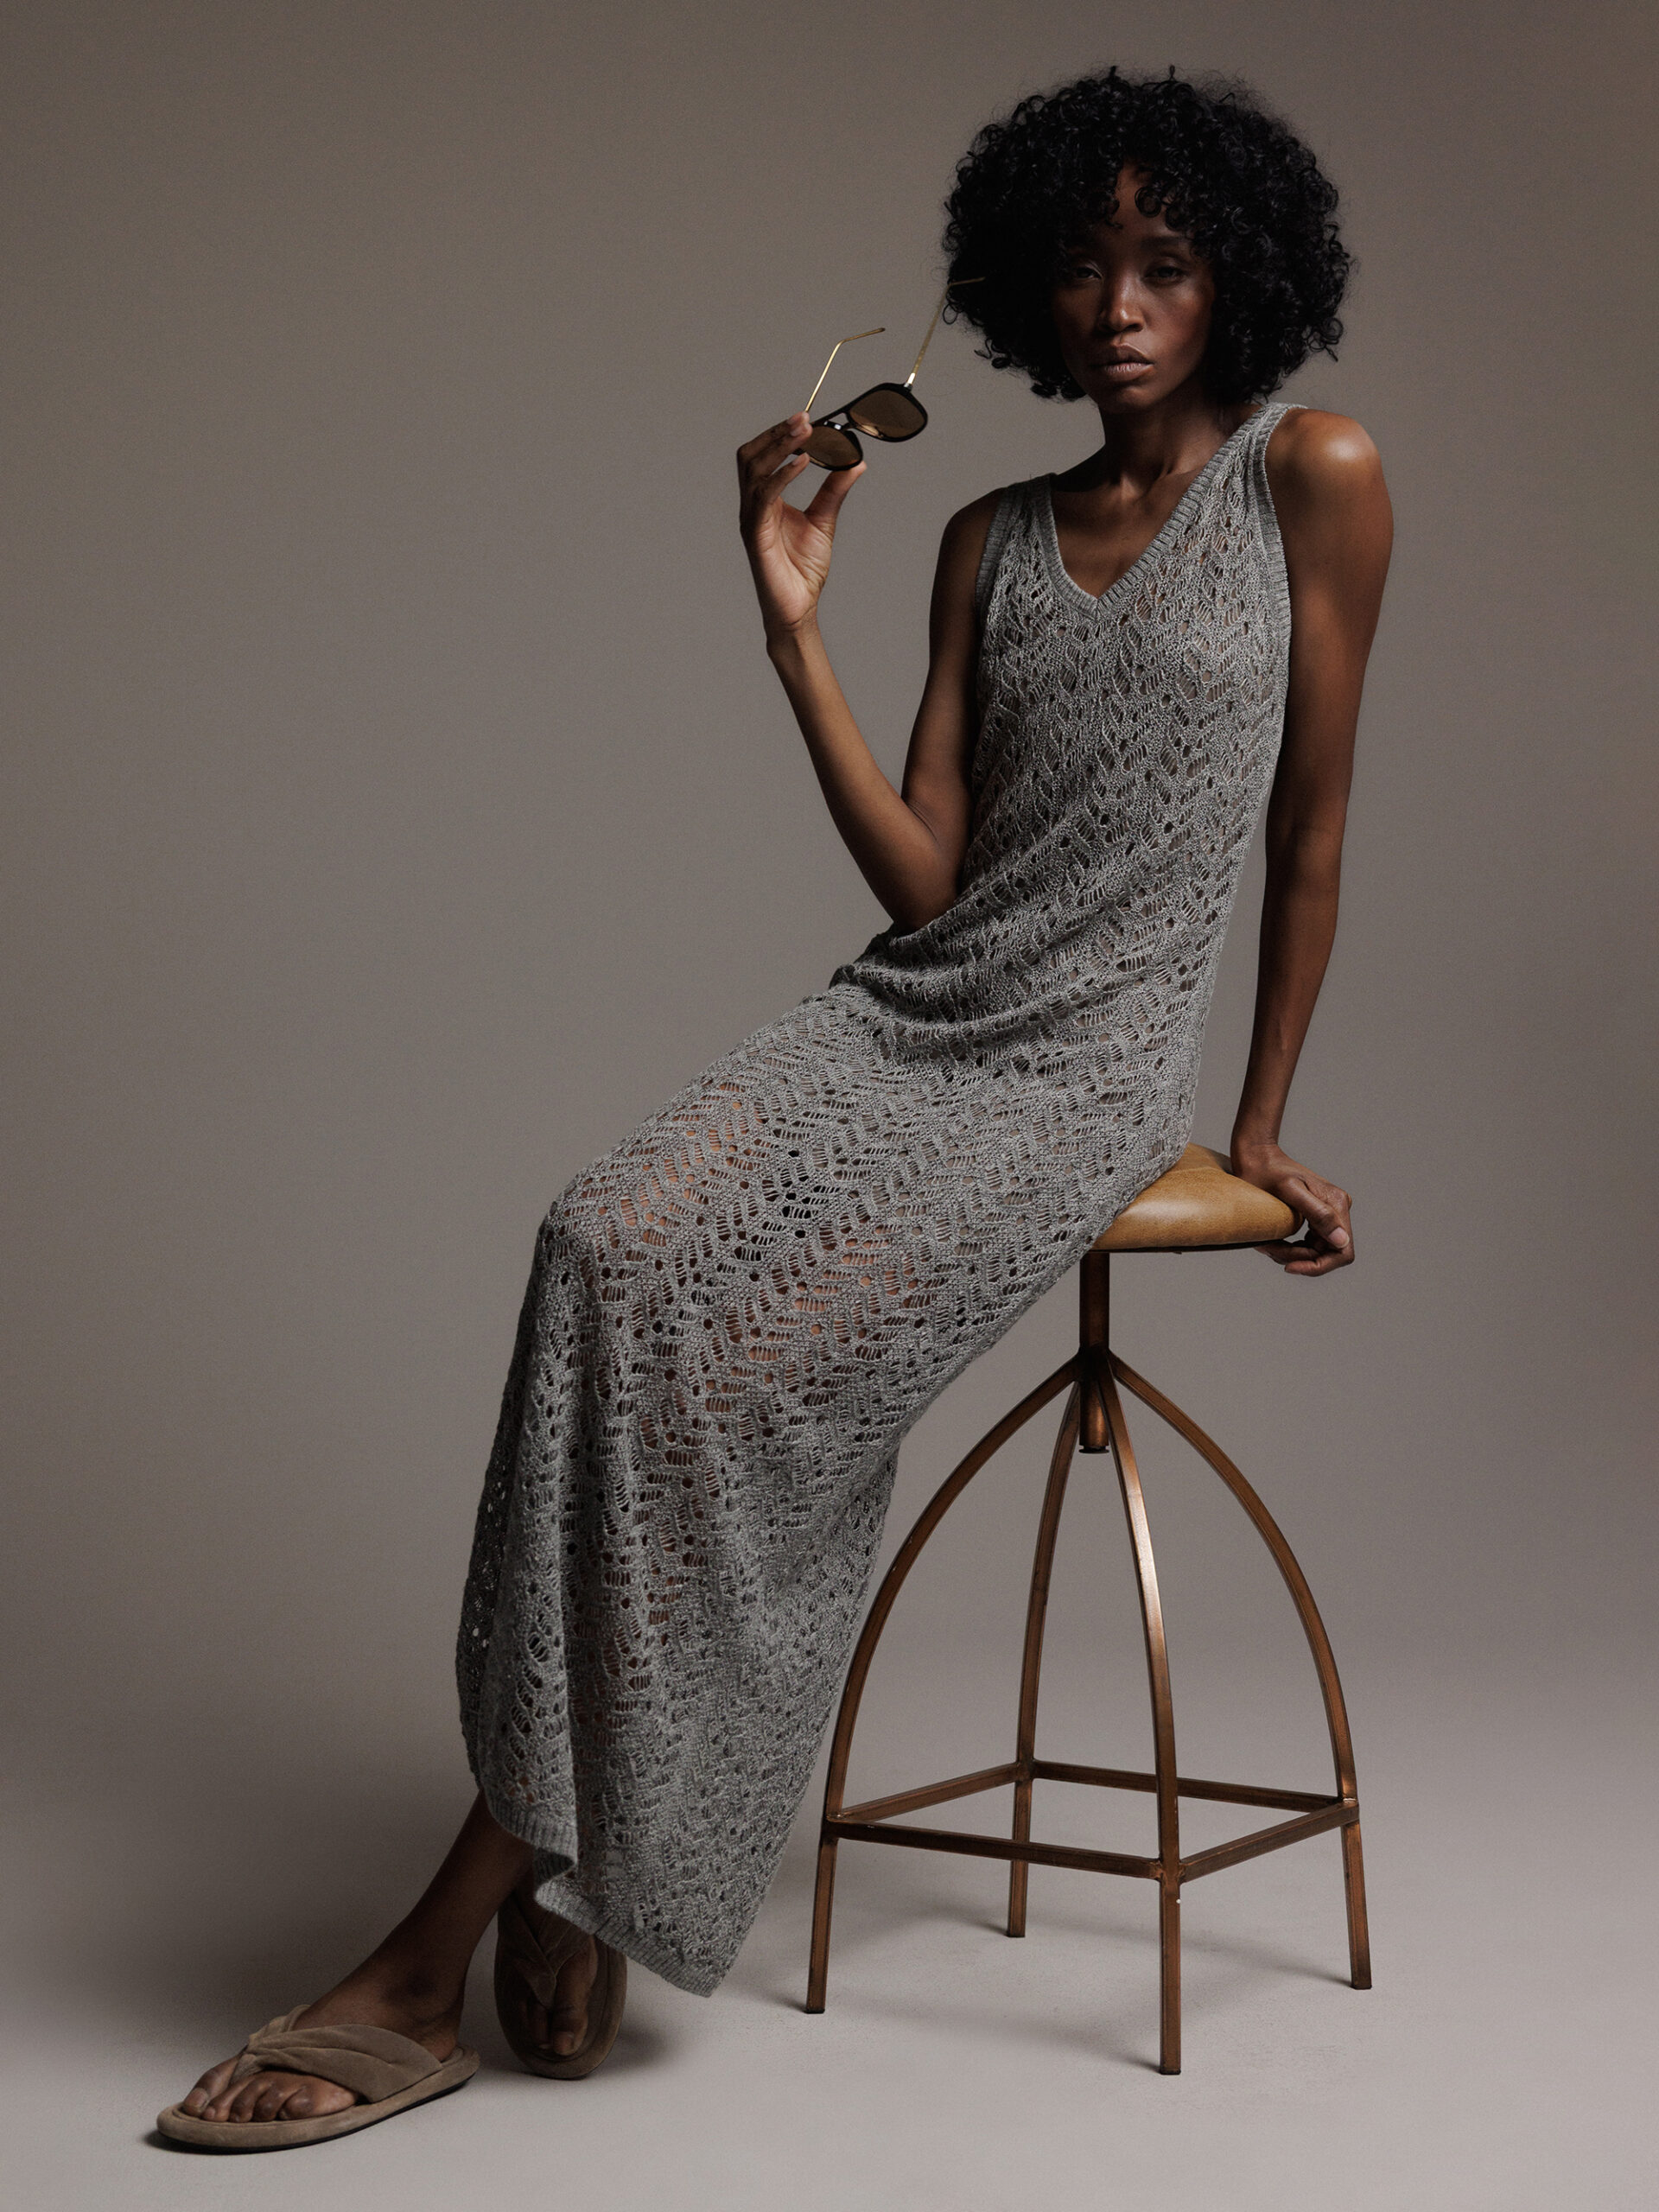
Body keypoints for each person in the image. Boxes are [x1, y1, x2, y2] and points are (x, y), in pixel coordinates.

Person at [160, 65, 1392, 2147]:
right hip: (914, 1012)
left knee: (746, 1384)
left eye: (1167, 264)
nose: (1117, 305)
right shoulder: (992, 539)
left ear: (1238, 282)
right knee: (598, 1243)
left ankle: (441, 1938)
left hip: (1083, 1068)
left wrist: (1262, 1120)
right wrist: (788, 623)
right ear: (1022, 288)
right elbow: (928, 881)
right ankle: (568, 1846)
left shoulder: (1316, 481)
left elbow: (1315, 830)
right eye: (1081, 265)